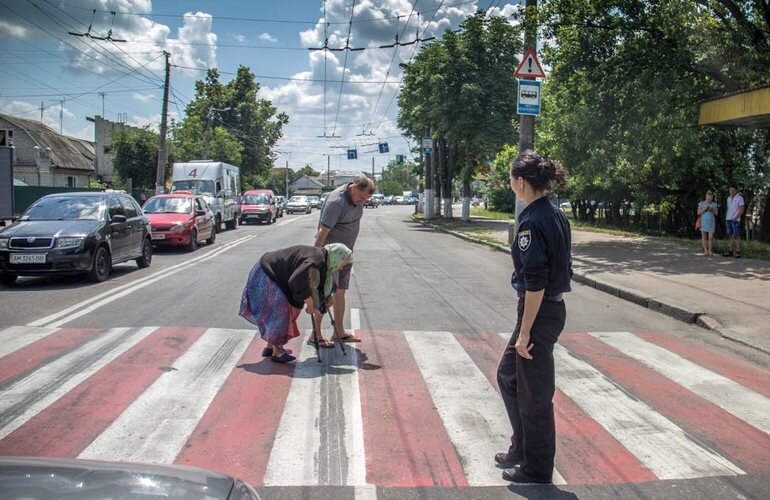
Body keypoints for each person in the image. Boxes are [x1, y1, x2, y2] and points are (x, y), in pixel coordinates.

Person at [496, 151, 572, 484]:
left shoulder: (531, 220)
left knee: (535, 396)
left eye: (512, 180)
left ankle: (537, 469)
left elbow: (536, 280)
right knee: (509, 376)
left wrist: (525, 331)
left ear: (521, 181)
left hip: (538, 313)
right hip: (547, 311)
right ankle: (522, 447)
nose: (511, 185)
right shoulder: (554, 213)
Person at [239, 243, 352, 363]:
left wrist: (322, 300)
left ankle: (270, 347)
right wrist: (310, 303)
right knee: (281, 311)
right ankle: (278, 353)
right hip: (267, 274)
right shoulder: (315, 261)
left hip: (268, 271)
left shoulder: (322, 259)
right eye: (342, 263)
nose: (340, 268)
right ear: (337, 257)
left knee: (279, 312)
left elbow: (315, 284)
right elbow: (296, 282)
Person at [312, 176, 374, 344]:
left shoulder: (359, 199)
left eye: (366, 200)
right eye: (361, 197)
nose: (363, 202)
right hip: (330, 257)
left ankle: (338, 331)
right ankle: (315, 335)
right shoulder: (336, 202)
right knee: (325, 294)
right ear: (353, 188)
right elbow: (322, 233)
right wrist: (315, 261)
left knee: (340, 292)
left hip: (345, 256)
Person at [723, 185, 745, 258]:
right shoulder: (728, 198)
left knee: (736, 236)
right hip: (728, 218)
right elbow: (728, 208)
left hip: (735, 219)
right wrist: (727, 217)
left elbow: (741, 209)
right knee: (730, 235)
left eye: (733, 190)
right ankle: (730, 251)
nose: (731, 191)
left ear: (736, 191)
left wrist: (736, 217)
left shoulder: (739, 198)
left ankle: (738, 252)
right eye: (730, 190)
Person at [697, 191, 718, 256]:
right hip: (703, 222)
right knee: (704, 237)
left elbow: (716, 213)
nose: (709, 197)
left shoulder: (714, 204)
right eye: (708, 195)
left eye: (711, 196)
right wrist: (705, 209)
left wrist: (712, 209)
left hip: (711, 222)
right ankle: (705, 250)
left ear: (712, 197)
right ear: (706, 196)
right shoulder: (702, 203)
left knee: (711, 237)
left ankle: (710, 250)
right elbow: (698, 213)